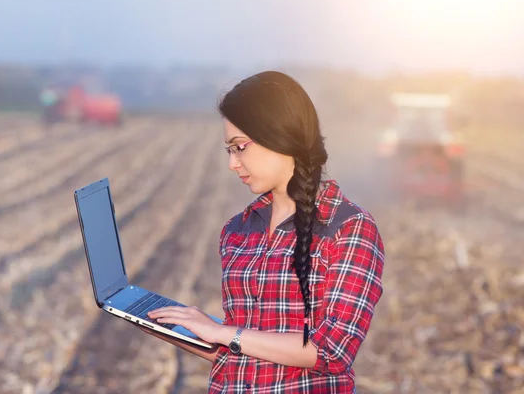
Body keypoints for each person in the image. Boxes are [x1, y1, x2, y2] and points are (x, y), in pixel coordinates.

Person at [138, 70, 385, 393]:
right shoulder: (237, 231)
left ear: (280, 135)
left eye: (239, 147)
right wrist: (174, 327)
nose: (232, 163)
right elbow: (239, 354)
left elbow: (332, 350)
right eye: (229, 150)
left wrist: (224, 332)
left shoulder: (349, 229)